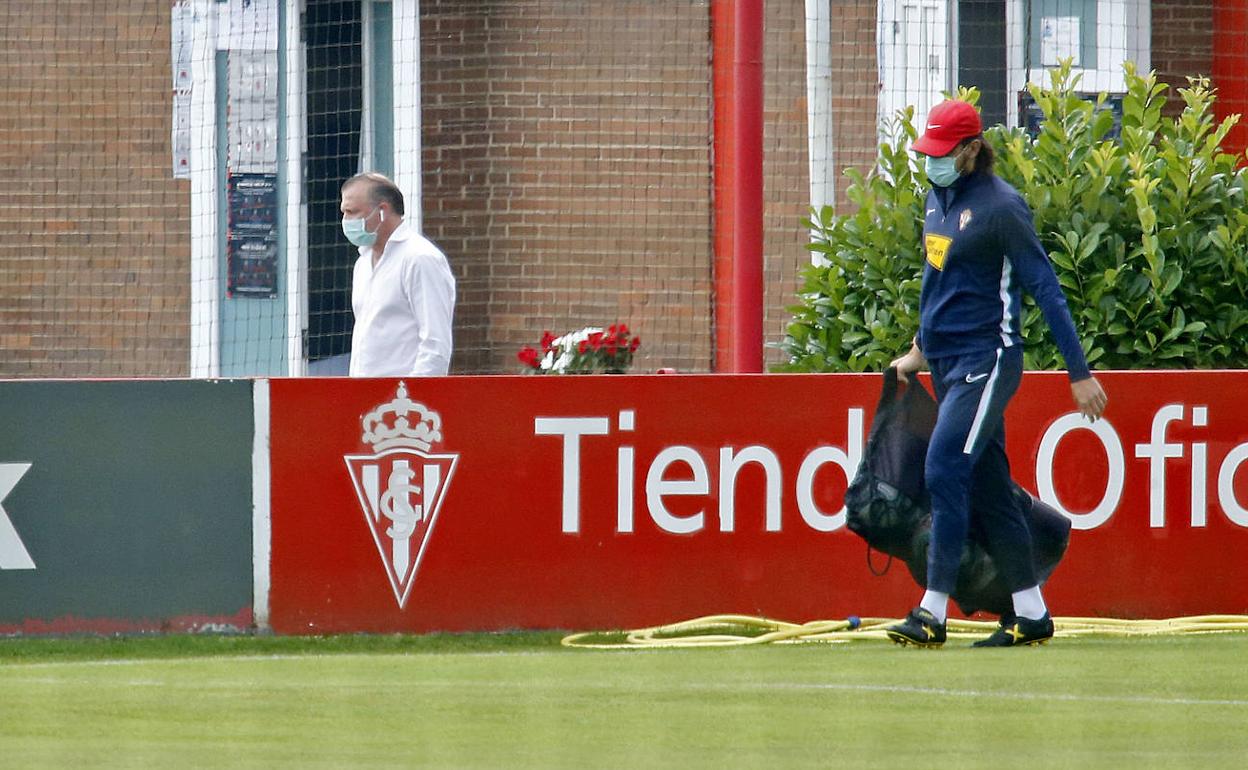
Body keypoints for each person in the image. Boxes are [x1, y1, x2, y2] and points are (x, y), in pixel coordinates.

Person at [885, 100, 1107, 648]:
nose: (930, 163)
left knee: (942, 469)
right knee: (987, 487)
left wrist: (1078, 373)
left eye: (941, 154)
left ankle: (931, 613)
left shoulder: (1002, 208)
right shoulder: (937, 201)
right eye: (926, 153)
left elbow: (1047, 290)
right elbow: (938, 291)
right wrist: (918, 352)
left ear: (970, 151)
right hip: (948, 364)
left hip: (989, 362)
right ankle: (1032, 615)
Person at [340, 172, 456, 377]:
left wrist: (414, 398)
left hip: (402, 400)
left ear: (382, 210)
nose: (346, 220)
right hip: (364, 394)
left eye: (352, 212)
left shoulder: (419, 258)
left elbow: (435, 343)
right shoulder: (363, 263)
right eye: (344, 213)